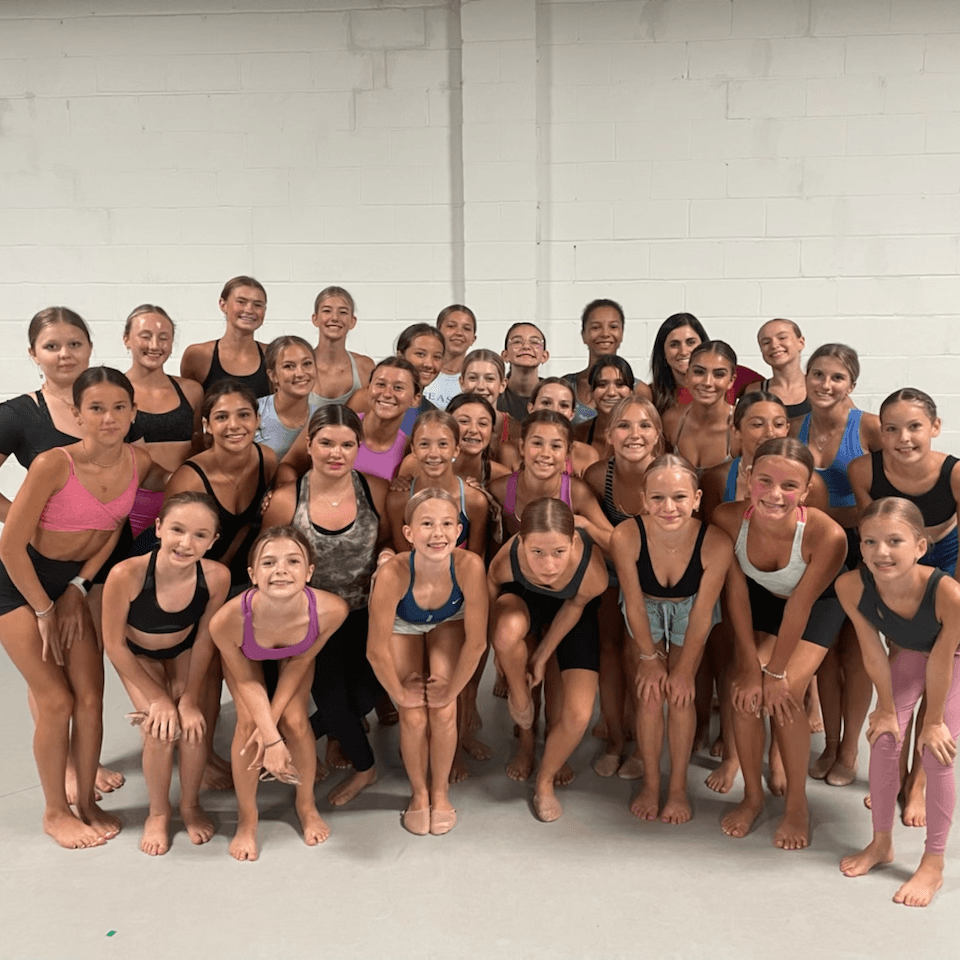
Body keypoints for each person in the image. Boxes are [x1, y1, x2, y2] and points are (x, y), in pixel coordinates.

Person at [0, 366, 153, 848]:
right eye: (96, 408)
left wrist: (79, 586)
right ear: (76, 413)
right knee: (57, 699)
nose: (108, 418)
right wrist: (45, 609)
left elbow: (111, 531)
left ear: (132, 413)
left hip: (71, 583)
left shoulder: (139, 460)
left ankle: (85, 800)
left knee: (90, 699)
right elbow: (10, 547)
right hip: (18, 583)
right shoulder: (53, 463)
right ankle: (54, 811)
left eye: (118, 408)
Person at [713, 438, 847, 850]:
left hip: (816, 607)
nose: (775, 494)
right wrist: (752, 670)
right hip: (760, 602)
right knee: (744, 693)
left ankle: (796, 807)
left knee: (785, 693)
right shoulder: (727, 518)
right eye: (765, 480)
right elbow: (735, 595)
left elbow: (801, 606)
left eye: (790, 486)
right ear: (748, 478)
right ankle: (752, 797)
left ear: (806, 492)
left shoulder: (828, 535)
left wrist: (773, 672)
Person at [262, 405, 390, 805]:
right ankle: (365, 770)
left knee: (365, 699)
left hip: (367, 613)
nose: (337, 453)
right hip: (314, 618)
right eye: (326, 443)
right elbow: (268, 561)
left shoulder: (375, 489)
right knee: (335, 702)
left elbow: (389, 542)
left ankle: (283, 738)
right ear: (309, 444)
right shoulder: (286, 501)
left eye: (347, 444)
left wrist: (386, 555)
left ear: (359, 447)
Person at [837, 498, 960, 907]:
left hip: (955, 658)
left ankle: (934, 862)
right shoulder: (851, 586)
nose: (881, 552)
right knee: (885, 736)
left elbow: (943, 658)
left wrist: (934, 721)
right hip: (907, 652)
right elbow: (872, 650)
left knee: (935, 749)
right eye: (870, 542)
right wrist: (887, 708)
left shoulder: (948, 593)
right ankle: (881, 843)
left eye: (894, 541)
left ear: (920, 546)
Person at [848, 387, 960, 826]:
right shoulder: (863, 469)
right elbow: (872, 533)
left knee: (940, 664)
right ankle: (891, 769)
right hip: (892, 562)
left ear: (934, 427)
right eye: (891, 428)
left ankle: (919, 780)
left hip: (946, 563)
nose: (904, 438)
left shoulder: (953, 474)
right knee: (903, 663)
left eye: (915, 427)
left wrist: (950, 595)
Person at [101, 493, 230, 855]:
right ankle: (158, 812)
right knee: (159, 729)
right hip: (138, 655)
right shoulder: (126, 574)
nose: (186, 543)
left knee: (193, 725)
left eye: (200, 535)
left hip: (184, 652)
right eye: (177, 529)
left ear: (213, 541)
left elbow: (205, 639)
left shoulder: (216, 576)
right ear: (158, 528)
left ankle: (190, 804)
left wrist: (189, 698)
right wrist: (159, 699)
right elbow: (114, 646)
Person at [209, 526, 348, 861]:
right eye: (269, 563)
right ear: (252, 574)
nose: (281, 570)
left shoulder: (332, 611)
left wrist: (272, 727)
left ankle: (306, 804)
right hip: (248, 658)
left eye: (293, 561)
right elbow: (246, 680)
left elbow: (300, 662)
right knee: (247, 726)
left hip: (295, 656)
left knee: (297, 723)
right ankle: (247, 819)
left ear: (309, 572)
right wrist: (268, 738)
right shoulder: (226, 621)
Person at [612, 455, 733, 823]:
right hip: (645, 609)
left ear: (697, 499)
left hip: (690, 609)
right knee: (648, 696)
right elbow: (633, 602)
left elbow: (701, 614)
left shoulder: (715, 543)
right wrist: (649, 659)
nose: (669, 508)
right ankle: (651, 782)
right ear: (643, 499)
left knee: (681, 695)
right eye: (658, 498)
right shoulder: (626, 535)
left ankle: (678, 787)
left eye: (679, 498)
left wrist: (682, 670)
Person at [366, 489, 488, 835]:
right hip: (403, 624)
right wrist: (398, 694)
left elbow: (477, 643)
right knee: (414, 714)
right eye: (427, 524)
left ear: (459, 531)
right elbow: (375, 649)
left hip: (448, 622)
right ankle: (419, 793)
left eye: (448, 524)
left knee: (445, 710)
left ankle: (440, 791)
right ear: (409, 533)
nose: (438, 534)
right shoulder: (393, 574)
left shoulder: (469, 566)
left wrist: (451, 690)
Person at [794, 343, 882, 788]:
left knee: (856, 650)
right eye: (818, 374)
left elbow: (892, 488)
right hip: (815, 549)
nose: (825, 385)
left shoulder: (867, 427)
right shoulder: (796, 427)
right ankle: (830, 743)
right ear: (806, 377)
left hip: (860, 549)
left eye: (837, 378)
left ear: (851, 384)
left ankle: (850, 752)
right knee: (823, 651)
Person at [488, 498, 608, 820]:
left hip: (572, 612)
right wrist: (498, 654)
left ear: (573, 541)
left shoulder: (592, 572)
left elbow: (574, 608)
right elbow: (491, 583)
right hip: (526, 600)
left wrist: (542, 655)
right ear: (521, 542)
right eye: (536, 552)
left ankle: (544, 779)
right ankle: (525, 728)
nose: (548, 565)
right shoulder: (509, 558)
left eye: (558, 552)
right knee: (506, 632)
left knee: (579, 715)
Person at [583, 396, 663, 779]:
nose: (635, 434)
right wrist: (606, 539)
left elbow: (649, 545)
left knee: (639, 658)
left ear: (657, 437)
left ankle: (643, 750)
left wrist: (598, 532)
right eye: (625, 426)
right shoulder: (599, 476)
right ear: (610, 435)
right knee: (608, 653)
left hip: (653, 577)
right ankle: (616, 739)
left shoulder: (667, 476)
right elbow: (611, 544)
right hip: (611, 575)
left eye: (644, 425)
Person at [166, 380, 277, 592]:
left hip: (238, 573)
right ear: (207, 425)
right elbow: (169, 546)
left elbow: (250, 524)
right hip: (186, 573)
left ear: (258, 420)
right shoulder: (190, 479)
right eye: (222, 417)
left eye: (244, 415)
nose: (234, 425)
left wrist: (275, 494)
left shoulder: (267, 460)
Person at [122, 305, 203, 539]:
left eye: (164, 338)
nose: (155, 346)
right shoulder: (116, 392)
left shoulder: (191, 391)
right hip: (134, 504)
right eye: (145, 336)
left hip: (185, 501)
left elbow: (201, 447)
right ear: (127, 339)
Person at [285, 357, 421, 484]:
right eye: (380, 384)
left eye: (398, 387)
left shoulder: (407, 451)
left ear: (415, 399)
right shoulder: (329, 423)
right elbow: (288, 467)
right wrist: (288, 494)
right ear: (368, 390)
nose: (386, 394)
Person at [489, 410, 614, 548]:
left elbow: (616, 543)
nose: (545, 453)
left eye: (555, 446)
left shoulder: (576, 492)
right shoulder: (500, 490)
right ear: (522, 447)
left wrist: (587, 525)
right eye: (537, 443)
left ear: (567, 453)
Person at [649, 312, 762, 416]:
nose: (683, 351)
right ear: (663, 352)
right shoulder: (653, 392)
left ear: (703, 344)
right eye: (674, 344)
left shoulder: (730, 373)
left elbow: (772, 388)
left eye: (691, 342)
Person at [561, 299, 652, 425]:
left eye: (613, 327)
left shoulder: (640, 390)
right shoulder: (566, 386)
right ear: (583, 335)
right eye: (596, 327)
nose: (605, 333)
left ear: (621, 334)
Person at [180, 276, 271, 399]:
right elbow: (190, 406)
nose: (249, 309)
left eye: (257, 305)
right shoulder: (198, 356)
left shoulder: (272, 355)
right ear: (223, 305)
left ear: (264, 310)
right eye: (241, 302)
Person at [663, 341, 739, 471]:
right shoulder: (672, 421)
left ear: (731, 380)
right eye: (699, 372)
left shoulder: (740, 427)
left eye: (719, 374)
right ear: (687, 376)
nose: (707, 382)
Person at [255, 335, 324, 461]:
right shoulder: (252, 412)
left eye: (307, 364)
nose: (300, 373)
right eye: (289, 366)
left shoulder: (322, 417)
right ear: (273, 375)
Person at [309, 286, 374, 407]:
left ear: (352, 321)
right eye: (327, 311)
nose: (334, 318)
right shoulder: (301, 367)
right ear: (315, 319)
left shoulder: (365, 367)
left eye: (343, 312)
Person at [523, 378, 599, 478]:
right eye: (546, 403)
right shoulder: (510, 451)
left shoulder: (586, 455)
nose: (554, 410)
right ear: (531, 408)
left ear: (572, 414)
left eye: (564, 405)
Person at [460, 349, 520, 465]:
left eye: (489, 379)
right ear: (462, 382)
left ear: (502, 385)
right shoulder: (448, 425)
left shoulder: (517, 429)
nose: (481, 386)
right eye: (473, 378)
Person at [743, 318, 810, 419]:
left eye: (782, 338)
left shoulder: (818, 386)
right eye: (766, 342)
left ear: (800, 342)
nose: (774, 345)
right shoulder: (754, 391)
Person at [573, 356, 637, 460]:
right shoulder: (578, 434)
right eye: (602, 385)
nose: (611, 392)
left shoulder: (645, 435)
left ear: (631, 392)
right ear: (592, 393)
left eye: (619, 384)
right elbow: (565, 474)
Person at [445, 393, 511, 486]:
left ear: (492, 431)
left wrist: (486, 498)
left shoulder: (503, 476)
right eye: (464, 421)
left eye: (483, 423)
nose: (473, 430)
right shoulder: (428, 468)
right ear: (446, 427)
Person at [423, 305, 478, 410]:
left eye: (466, 328)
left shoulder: (475, 380)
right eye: (451, 326)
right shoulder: (423, 371)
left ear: (473, 339)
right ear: (438, 332)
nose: (459, 333)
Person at [499, 322, 549, 421]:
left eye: (535, 342)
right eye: (517, 342)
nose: (526, 347)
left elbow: (586, 413)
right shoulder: (493, 395)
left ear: (544, 356)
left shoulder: (553, 395)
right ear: (505, 355)